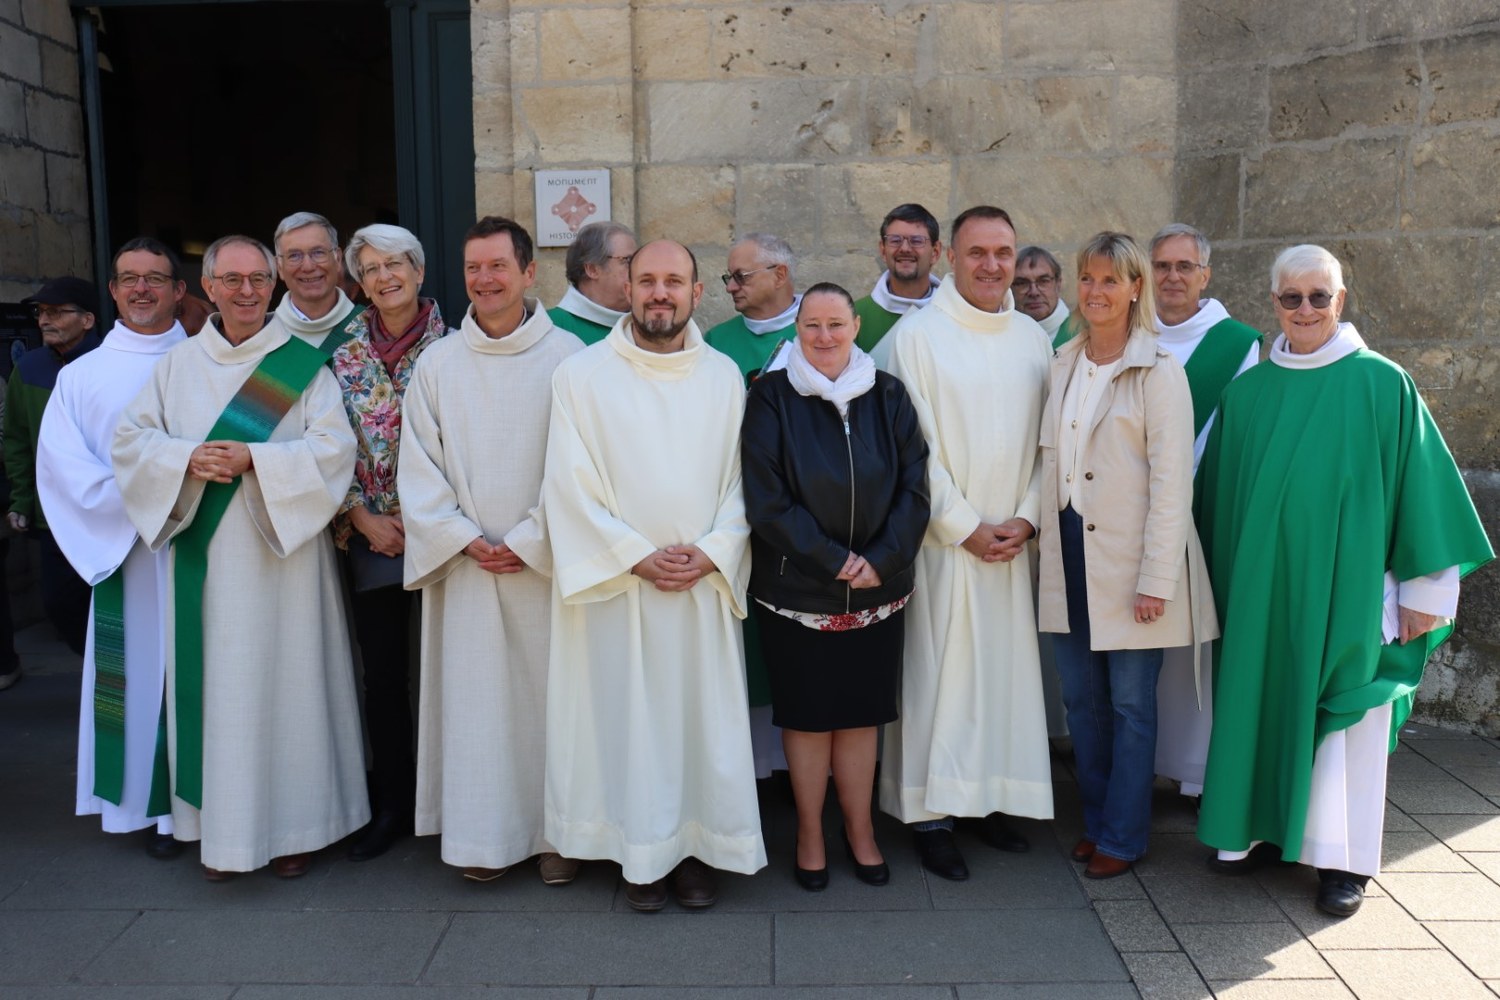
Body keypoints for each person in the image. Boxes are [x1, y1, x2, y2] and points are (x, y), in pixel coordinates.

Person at [1195, 244, 1492, 917]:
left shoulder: (1383, 384)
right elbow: (1217, 505)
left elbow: (1424, 492)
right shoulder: (1246, 395)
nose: (1305, 309)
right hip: (1264, 600)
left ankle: (1341, 861)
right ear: (1273, 302)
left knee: (1344, 714)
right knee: (1263, 704)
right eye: (1291, 297)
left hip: (1350, 596)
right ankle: (1259, 832)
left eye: (1318, 297)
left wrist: (1424, 592)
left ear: (1341, 300)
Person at [113, 234, 367, 880]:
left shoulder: (300, 364)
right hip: (207, 562)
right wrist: (186, 457)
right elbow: (131, 442)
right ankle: (221, 835)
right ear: (208, 288)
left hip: (284, 560)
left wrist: (257, 458)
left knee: (291, 687)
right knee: (219, 694)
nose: (246, 291)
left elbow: (335, 450)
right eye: (232, 280)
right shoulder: (177, 366)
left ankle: (297, 829)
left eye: (257, 279)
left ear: (273, 285)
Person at [543, 239, 765, 912]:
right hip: (620, 588)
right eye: (646, 281)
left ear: (697, 292)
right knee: (629, 723)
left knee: (696, 722)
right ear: (626, 289)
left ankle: (696, 852)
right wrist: (633, 555)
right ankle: (640, 855)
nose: (659, 293)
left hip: (698, 584)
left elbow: (745, 481)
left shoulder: (722, 376)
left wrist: (715, 550)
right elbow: (566, 484)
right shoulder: (581, 376)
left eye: (673, 281)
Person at [399, 216, 584, 884]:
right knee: (477, 705)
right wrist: (463, 538)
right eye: (474, 267)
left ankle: (555, 836)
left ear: (529, 272)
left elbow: (583, 465)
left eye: (498, 266)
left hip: (545, 565)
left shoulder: (569, 359)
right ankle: (481, 838)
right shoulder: (439, 363)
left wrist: (532, 539)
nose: (485, 279)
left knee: (549, 703)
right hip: (468, 565)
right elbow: (418, 464)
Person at [877, 205, 1054, 881]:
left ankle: (991, 797)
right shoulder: (915, 337)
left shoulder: (1032, 339)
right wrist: (963, 526)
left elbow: (1052, 443)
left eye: (1003, 253)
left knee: (1002, 678)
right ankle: (930, 814)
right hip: (943, 546)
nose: (991, 265)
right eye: (977, 252)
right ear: (950, 256)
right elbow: (907, 449)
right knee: (939, 678)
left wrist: (1027, 518)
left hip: (1009, 544)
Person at [1036, 232, 1217, 879]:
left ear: (1136, 288)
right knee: (1081, 704)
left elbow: (1173, 485)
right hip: (1068, 551)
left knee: (1131, 705)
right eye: (1088, 278)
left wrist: (1157, 579)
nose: (1096, 292)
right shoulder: (1062, 362)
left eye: (1111, 280)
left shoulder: (1159, 371)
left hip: (1132, 560)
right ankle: (1096, 822)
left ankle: (1124, 835)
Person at [741, 282, 929, 891]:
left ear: (855, 328)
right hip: (799, 593)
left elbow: (914, 487)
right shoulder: (771, 397)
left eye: (836, 325)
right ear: (796, 331)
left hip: (877, 591)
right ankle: (810, 834)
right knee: (808, 717)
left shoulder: (888, 395)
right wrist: (832, 561)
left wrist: (882, 559)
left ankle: (860, 830)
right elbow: (767, 500)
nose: (824, 337)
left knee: (860, 716)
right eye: (812, 326)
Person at [36, 238, 189, 857]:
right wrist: (147, 504)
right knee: (137, 679)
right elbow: (63, 470)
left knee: (201, 678)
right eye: (130, 278)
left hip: (201, 549)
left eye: (156, 278)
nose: (142, 289)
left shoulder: (209, 362)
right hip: (127, 554)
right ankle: (146, 811)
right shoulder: (81, 376)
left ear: (180, 290)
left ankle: (207, 806)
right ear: (113, 291)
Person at [330, 223, 448, 862]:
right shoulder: (337, 351)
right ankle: (393, 804)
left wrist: (432, 517)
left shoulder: (457, 345)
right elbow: (322, 441)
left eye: (395, 264)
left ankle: (452, 801)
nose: (384, 277)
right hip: (370, 537)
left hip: (446, 536)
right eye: (370, 268)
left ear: (419, 271)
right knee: (382, 675)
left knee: (451, 670)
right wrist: (360, 514)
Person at [1144, 223, 1262, 802]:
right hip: (1132, 514)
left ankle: (1196, 772)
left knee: (1196, 644)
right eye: (1162, 266)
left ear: (1205, 275)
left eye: (1185, 266)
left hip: (1204, 510)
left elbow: (1241, 433)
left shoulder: (1237, 343)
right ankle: (1140, 764)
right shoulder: (1130, 330)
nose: (1172, 277)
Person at [6, 277, 102, 655]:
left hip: (108, 512)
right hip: (55, 516)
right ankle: (96, 667)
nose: (45, 320)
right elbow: (16, 439)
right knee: (60, 604)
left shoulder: (110, 363)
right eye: (41, 312)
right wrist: (21, 499)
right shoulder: (28, 368)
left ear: (87, 320)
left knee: (112, 604)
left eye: (57, 312)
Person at [705, 233, 801, 382]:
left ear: (779, 275)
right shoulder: (716, 341)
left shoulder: (824, 334)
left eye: (741, 276)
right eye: (730, 277)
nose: (730, 288)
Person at [852, 204, 942, 353]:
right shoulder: (854, 317)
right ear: (883, 250)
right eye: (895, 240)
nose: (905, 248)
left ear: (935, 252)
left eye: (916, 241)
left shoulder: (955, 314)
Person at [272, 211, 365, 354]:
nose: (308, 266)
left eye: (318, 252)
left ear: (338, 259)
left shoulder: (373, 328)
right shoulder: (260, 334)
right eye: (294, 256)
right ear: (279, 267)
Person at [547, 220, 637, 345]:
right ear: (592, 269)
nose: (639, 269)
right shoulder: (549, 327)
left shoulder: (648, 324)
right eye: (628, 260)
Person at [1012, 245, 1076, 346]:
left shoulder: (1085, 335)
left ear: (1058, 283)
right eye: (1022, 283)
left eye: (1043, 281)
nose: (1034, 292)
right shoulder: (1001, 339)